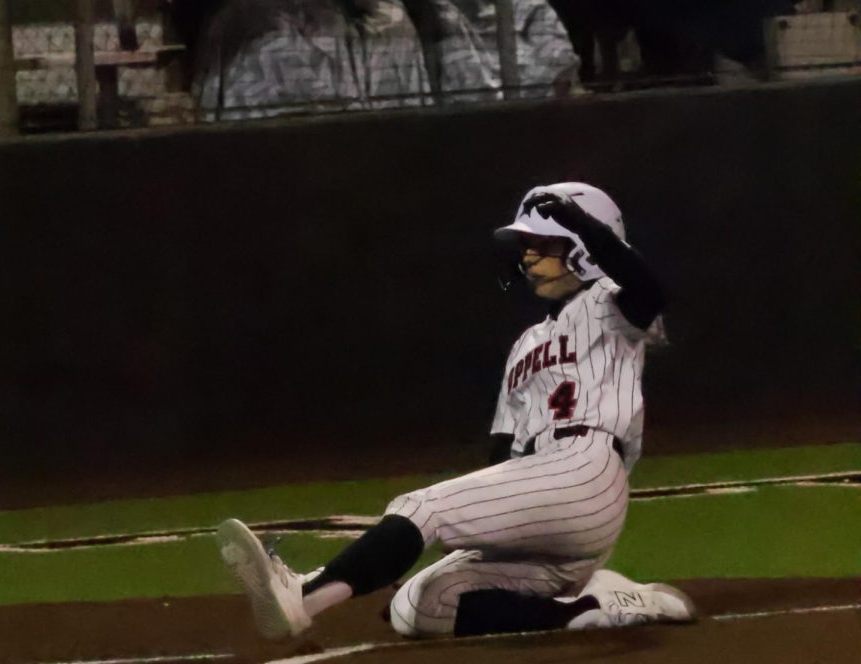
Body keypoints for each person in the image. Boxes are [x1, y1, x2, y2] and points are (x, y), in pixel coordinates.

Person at [216, 182, 695, 640]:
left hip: (586, 469)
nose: (528, 256)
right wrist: (466, 529)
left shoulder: (609, 305)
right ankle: (596, 608)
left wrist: (584, 225)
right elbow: (502, 460)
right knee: (420, 605)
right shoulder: (525, 345)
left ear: (584, 249)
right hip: (544, 493)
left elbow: (649, 290)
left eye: (543, 244)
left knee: (419, 506)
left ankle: (303, 596)